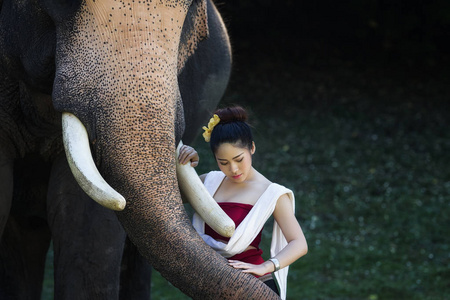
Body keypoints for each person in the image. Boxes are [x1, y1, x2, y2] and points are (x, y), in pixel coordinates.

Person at [178, 106, 307, 299]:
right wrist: (185, 166)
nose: (234, 168)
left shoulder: (272, 193)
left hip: (253, 282)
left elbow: (299, 243)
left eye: (239, 159)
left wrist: (266, 266)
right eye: (223, 162)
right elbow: (167, 199)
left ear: (252, 148)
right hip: (208, 277)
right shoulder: (208, 181)